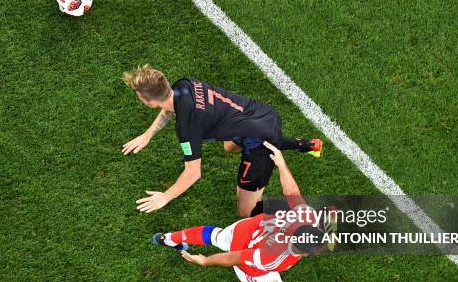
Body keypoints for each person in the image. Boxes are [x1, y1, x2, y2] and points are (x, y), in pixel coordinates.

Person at [152, 142, 334, 282]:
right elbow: (234, 258)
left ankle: (168, 238)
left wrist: (281, 164)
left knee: (217, 235)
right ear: (303, 252)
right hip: (252, 269)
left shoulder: (304, 216)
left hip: (244, 229)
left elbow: (291, 191)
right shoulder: (272, 259)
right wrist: (204, 262)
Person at [122, 65, 323, 217]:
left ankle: (301, 218)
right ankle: (306, 145)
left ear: (151, 102)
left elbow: (193, 173)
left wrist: (165, 197)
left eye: (140, 97)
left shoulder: (187, 127)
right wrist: (148, 134)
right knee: (230, 147)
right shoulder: (183, 85)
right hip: (260, 113)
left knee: (246, 211)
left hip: (259, 137)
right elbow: (170, 108)